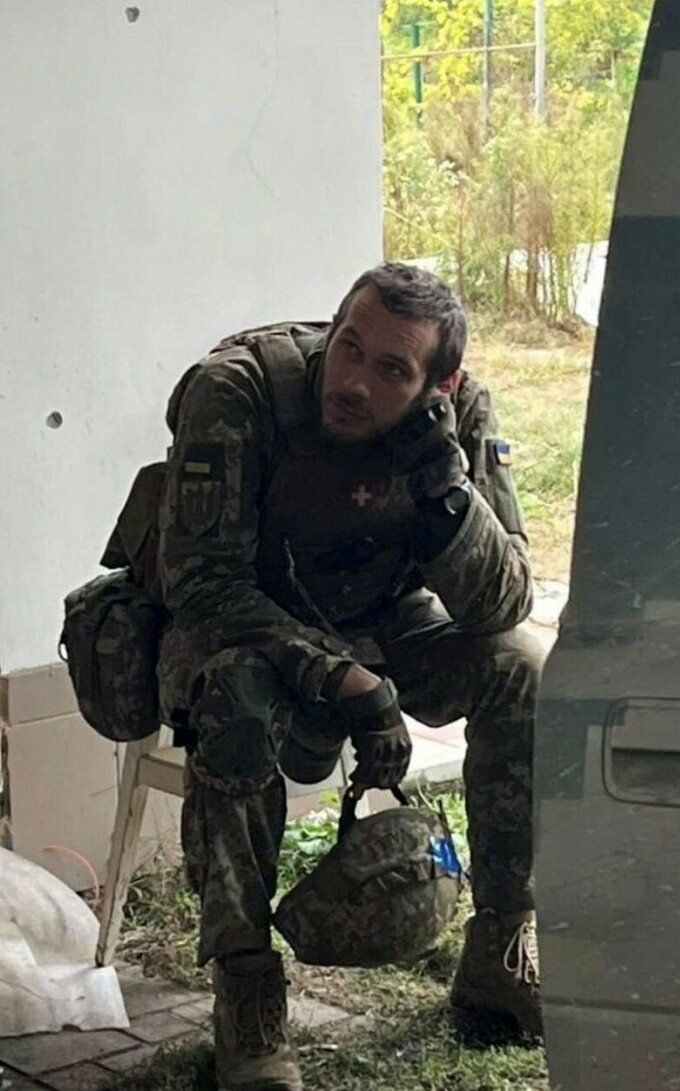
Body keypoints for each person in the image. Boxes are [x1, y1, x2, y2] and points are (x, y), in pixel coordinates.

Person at [156, 263, 544, 1091]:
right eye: (349, 347)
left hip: (383, 616)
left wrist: (444, 485)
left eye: (392, 369)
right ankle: (246, 991)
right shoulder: (242, 391)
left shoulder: (457, 418)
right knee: (234, 699)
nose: (355, 382)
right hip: (250, 623)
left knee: (521, 669)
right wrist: (346, 682)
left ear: (440, 385)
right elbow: (203, 583)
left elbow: (505, 601)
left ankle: (499, 947)